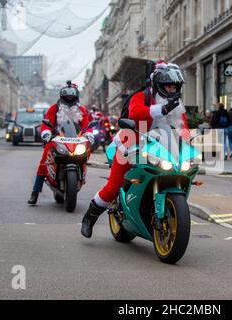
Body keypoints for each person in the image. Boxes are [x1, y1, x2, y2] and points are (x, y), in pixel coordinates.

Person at [81, 61, 190, 239]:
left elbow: (182, 126)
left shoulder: (178, 105)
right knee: (114, 186)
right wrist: (161, 109)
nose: (171, 90)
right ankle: (89, 217)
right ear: (158, 85)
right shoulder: (141, 96)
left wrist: (189, 142)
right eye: (167, 86)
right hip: (131, 144)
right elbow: (136, 113)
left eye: (174, 86)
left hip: (163, 148)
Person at [27, 81, 94, 205]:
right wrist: (46, 133)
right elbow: (46, 122)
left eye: (72, 98)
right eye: (66, 98)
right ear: (62, 97)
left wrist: (89, 133)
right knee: (43, 162)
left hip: (76, 139)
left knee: (85, 154)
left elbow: (86, 124)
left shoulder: (82, 110)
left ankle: (80, 177)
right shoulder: (54, 108)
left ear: (76, 97)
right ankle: (35, 192)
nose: (69, 100)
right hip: (57, 138)